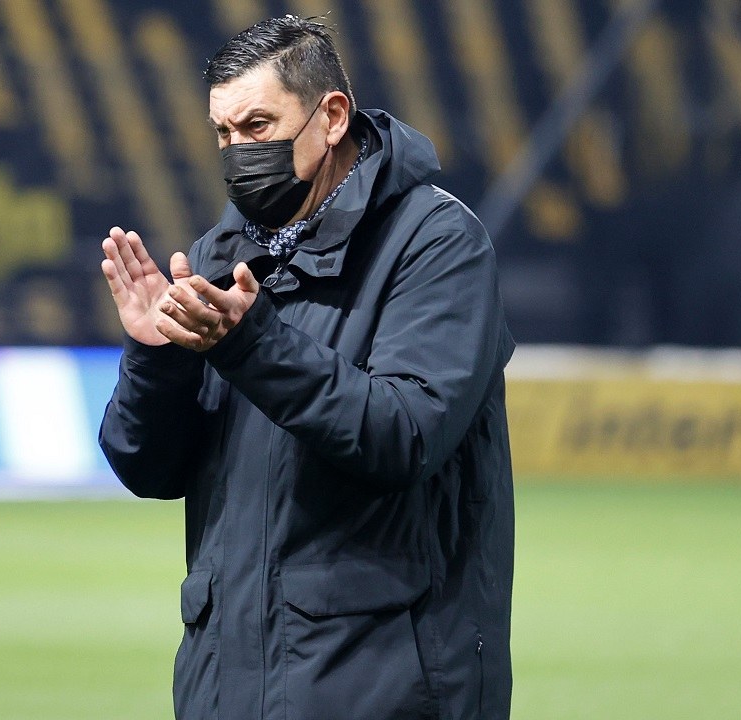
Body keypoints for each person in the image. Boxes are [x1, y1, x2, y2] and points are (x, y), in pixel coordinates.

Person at [99, 15, 514, 720]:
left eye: (258, 126)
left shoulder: (437, 242)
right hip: (229, 687)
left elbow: (405, 435)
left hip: (384, 687)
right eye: (223, 134)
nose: (239, 152)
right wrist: (157, 355)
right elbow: (149, 471)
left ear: (332, 116)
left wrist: (248, 345)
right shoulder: (220, 253)